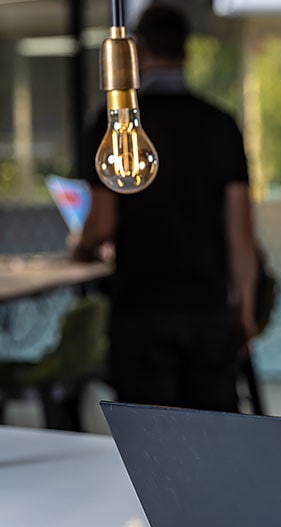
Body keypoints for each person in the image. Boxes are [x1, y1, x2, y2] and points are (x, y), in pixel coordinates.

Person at [73, 5, 257, 412]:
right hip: (207, 308)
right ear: (186, 53)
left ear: (135, 51)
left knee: (150, 443)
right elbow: (241, 234)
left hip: (141, 307)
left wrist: (80, 249)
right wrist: (244, 310)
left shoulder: (112, 130)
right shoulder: (219, 124)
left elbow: (100, 224)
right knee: (213, 437)